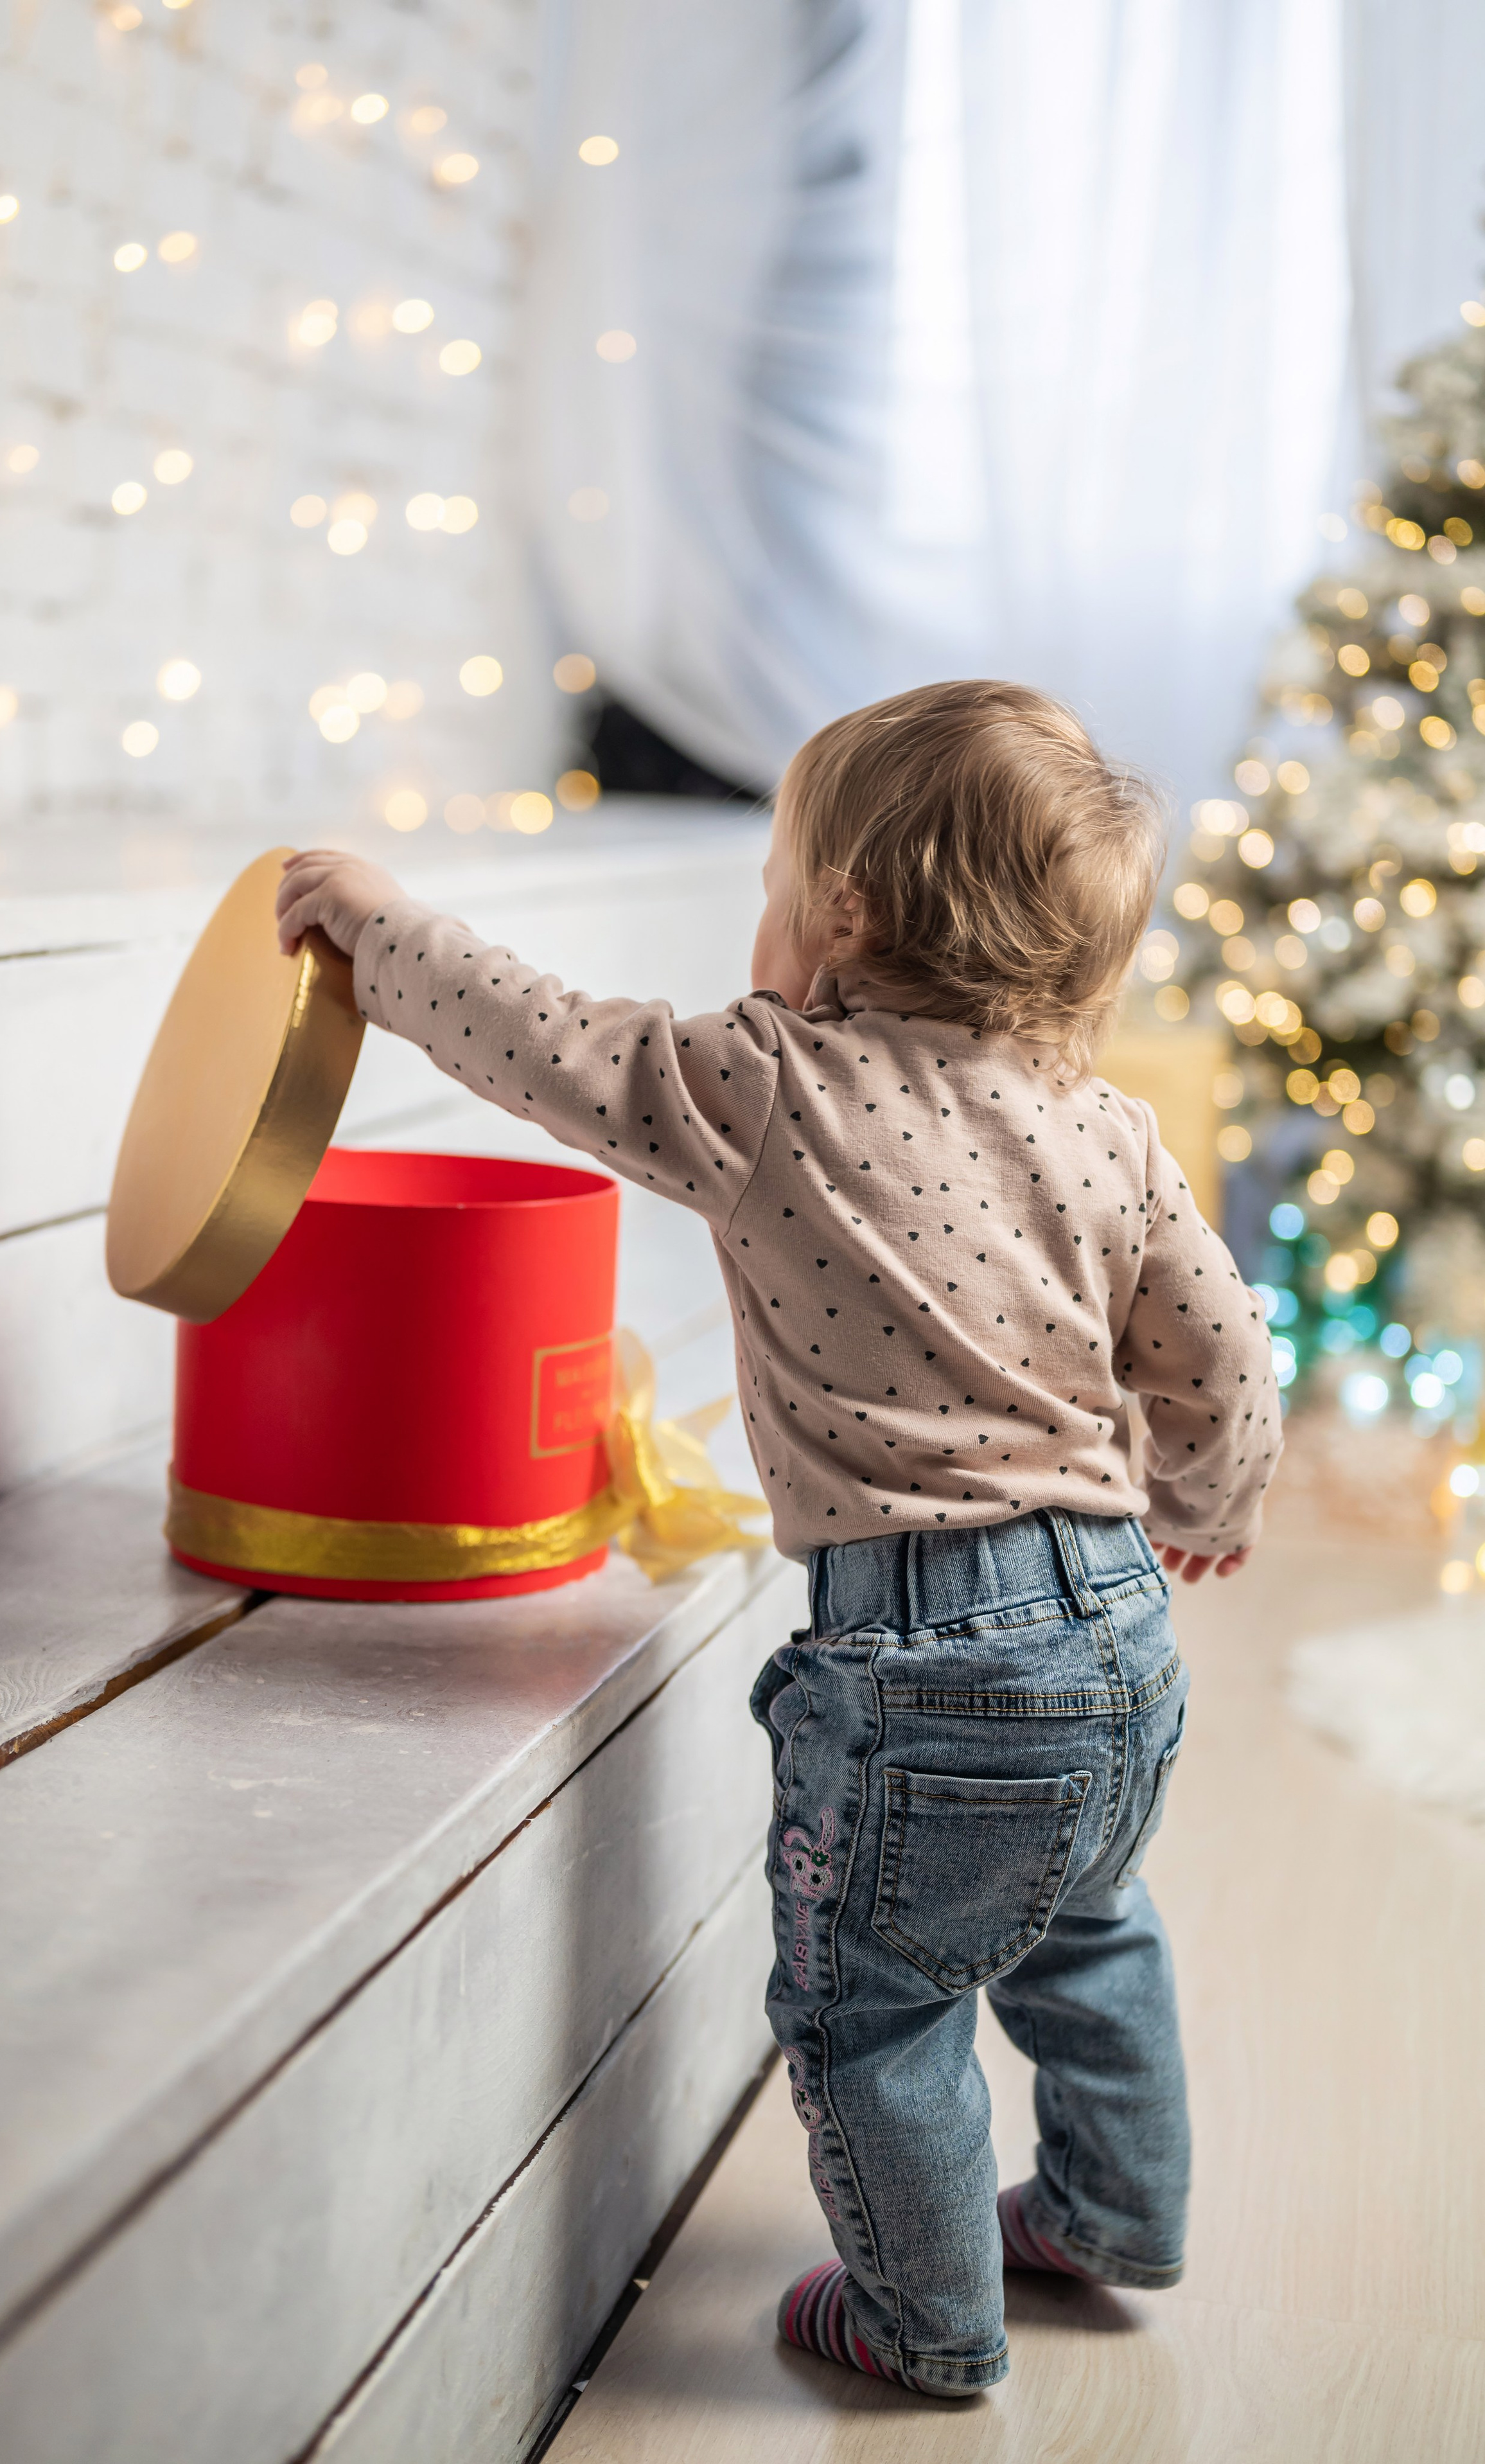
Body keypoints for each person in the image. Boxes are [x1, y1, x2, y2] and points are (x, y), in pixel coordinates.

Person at [275, 678, 1279, 2399]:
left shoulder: (767, 1089)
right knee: (1087, 1927)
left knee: (879, 2006)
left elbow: (546, 1041)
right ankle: (1118, 2213)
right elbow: (1223, 1355)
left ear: (846, 913)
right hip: (1117, 1626)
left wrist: (375, 927)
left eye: (771, 877)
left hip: (922, 1667)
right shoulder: (1108, 1134)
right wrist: (1204, 1499)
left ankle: (927, 2319)